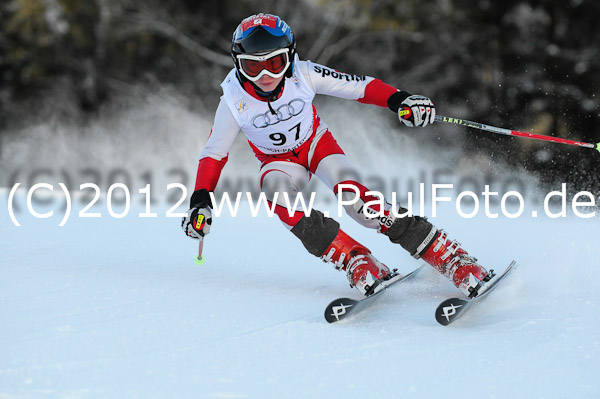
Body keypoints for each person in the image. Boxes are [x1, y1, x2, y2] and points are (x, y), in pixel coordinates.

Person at [182, 13, 496, 298]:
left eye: (274, 63)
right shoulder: (233, 100)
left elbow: (360, 87)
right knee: (276, 196)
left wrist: (401, 100)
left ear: (289, 58)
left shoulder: (303, 74)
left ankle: (451, 257)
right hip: (278, 163)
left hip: (317, 145)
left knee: (360, 205)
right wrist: (200, 199)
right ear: (239, 64)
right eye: (253, 65)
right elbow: (214, 152)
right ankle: (355, 258)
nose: (265, 74)